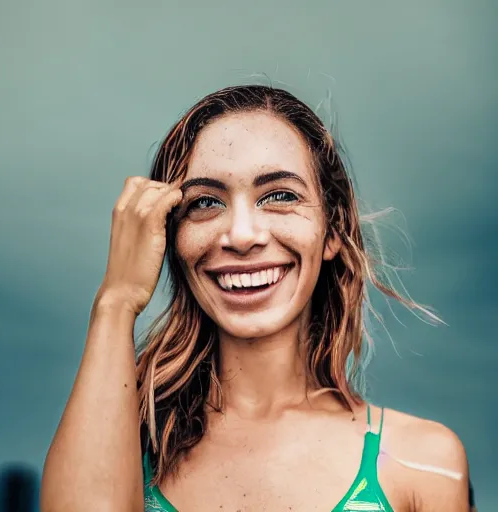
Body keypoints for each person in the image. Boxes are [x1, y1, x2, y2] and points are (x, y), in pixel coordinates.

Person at [40, 85, 470, 511]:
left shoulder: (424, 464)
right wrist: (116, 300)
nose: (241, 235)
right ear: (170, 238)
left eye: (280, 195)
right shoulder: (123, 444)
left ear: (332, 231)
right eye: (206, 202)